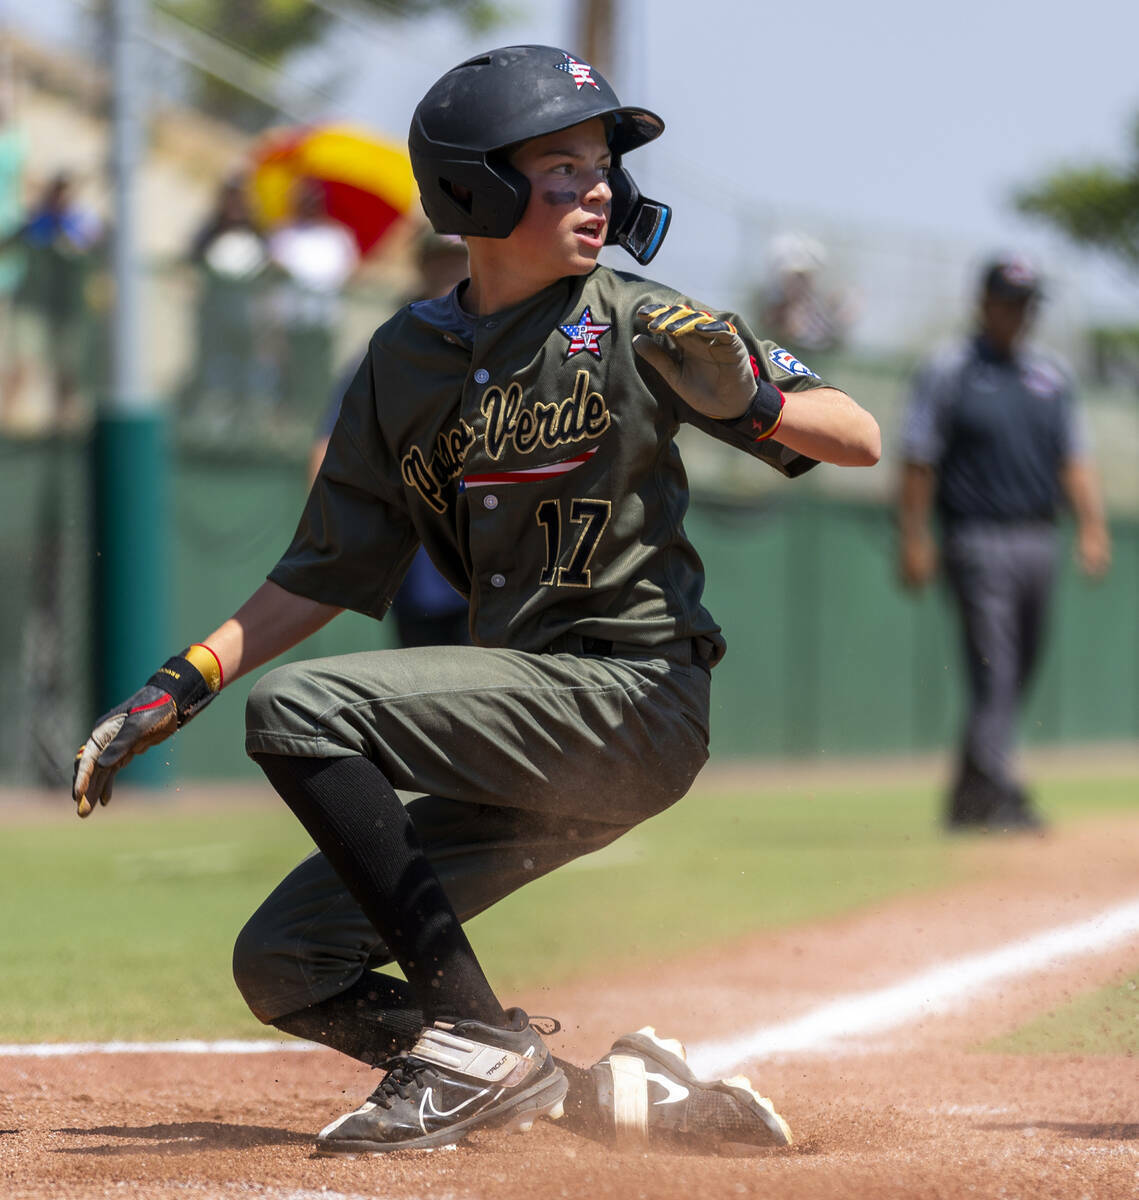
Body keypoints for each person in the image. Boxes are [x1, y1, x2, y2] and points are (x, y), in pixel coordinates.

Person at [72, 45, 880, 1156]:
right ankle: (593, 1095)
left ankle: (470, 1043)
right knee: (285, 963)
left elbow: (856, 435)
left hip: (630, 695)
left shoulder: (640, 319)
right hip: (527, 727)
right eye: (560, 167)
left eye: (601, 166)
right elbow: (320, 567)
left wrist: (749, 398)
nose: (597, 188)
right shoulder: (404, 358)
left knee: (307, 712)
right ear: (471, 188)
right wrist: (184, 679)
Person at [898, 257, 1111, 832]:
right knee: (995, 669)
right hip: (976, 538)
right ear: (985, 303)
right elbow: (919, 456)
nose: (1019, 313)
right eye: (1009, 301)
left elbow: (1074, 459)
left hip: (1039, 536)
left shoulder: (1051, 375)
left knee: (1018, 671)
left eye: (1027, 303)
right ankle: (999, 791)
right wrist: (914, 537)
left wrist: (1092, 526)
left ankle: (968, 797)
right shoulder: (949, 369)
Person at [309, 230, 473, 648]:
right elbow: (330, 445)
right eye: (439, 260)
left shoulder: (507, 341)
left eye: (459, 259)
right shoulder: (391, 349)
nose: (449, 271)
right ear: (421, 266)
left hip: (494, 557)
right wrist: (337, 532)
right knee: (423, 695)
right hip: (418, 560)